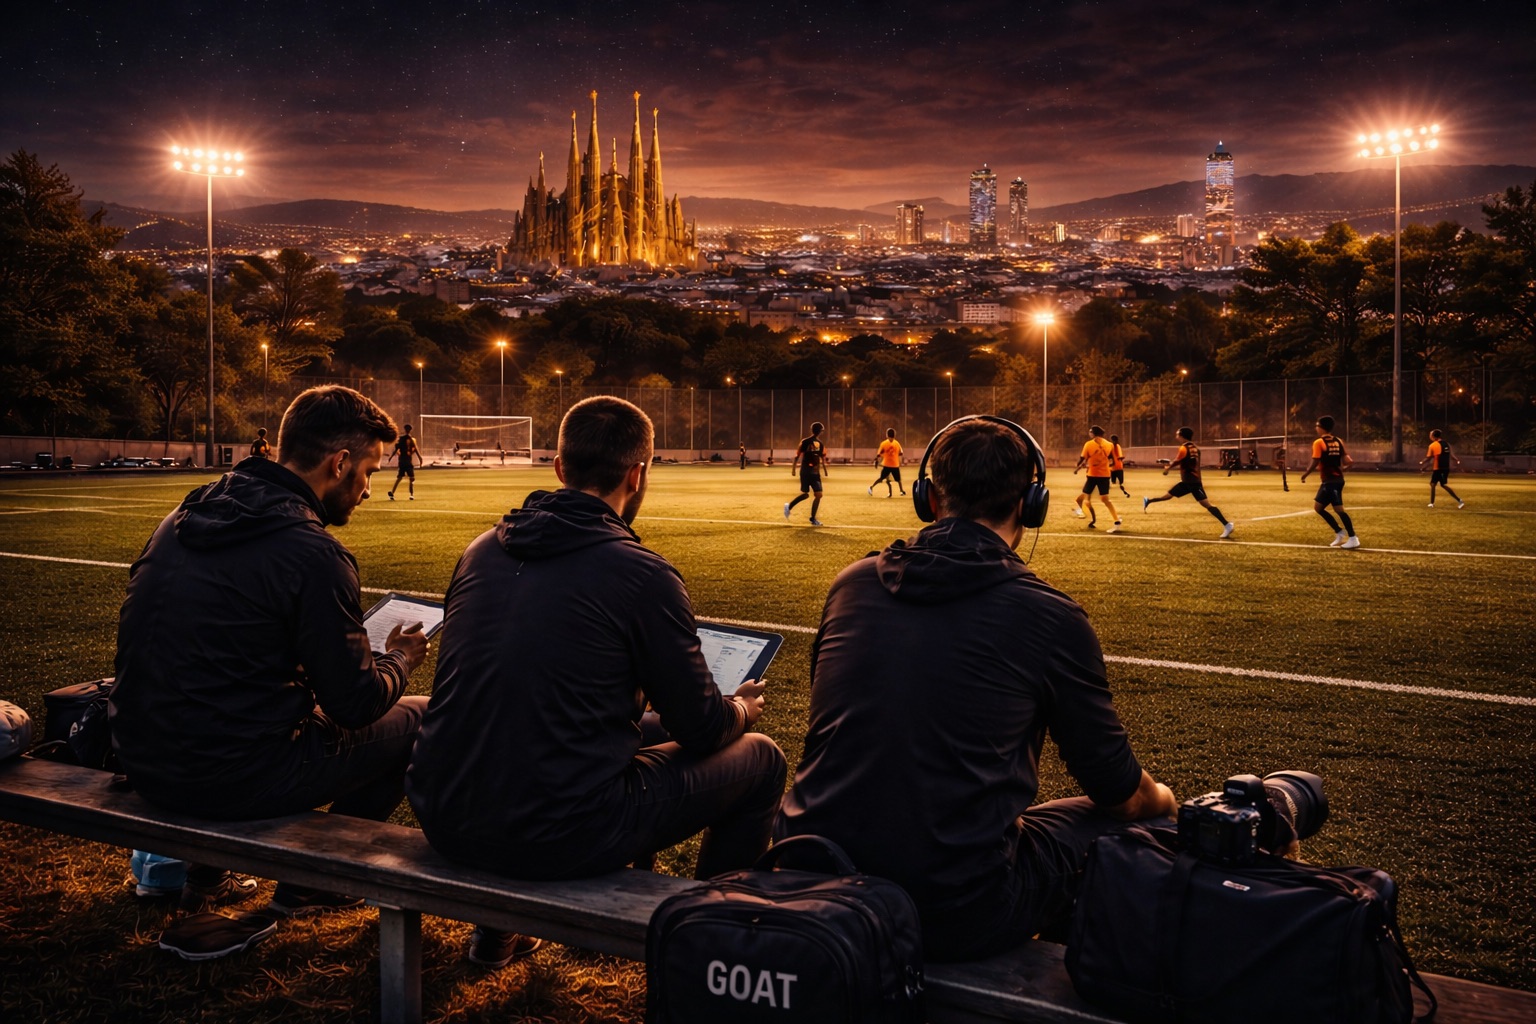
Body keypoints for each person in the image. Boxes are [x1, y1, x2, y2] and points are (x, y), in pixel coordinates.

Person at [775, 417, 1177, 962]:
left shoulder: (851, 582)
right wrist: (1165, 803)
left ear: (929, 497)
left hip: (811, 863)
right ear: (1030, 503)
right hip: (954, 907)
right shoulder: (1048, 614)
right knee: (1145, 820)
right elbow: (1117, 790)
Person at [407, 396, 786, 968]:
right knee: (761, 759)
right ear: (638, 475)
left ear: (559, 468)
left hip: (444, 813)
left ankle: (495, 935)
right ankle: (708, 952)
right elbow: (704, 728)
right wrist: (741, 709)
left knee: (631, 729)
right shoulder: (641, 572)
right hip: (555, 832)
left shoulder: (480, 549)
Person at [110, 385, 433, 932]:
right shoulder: (312, 551)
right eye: (370, 473)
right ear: (340, 463)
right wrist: (399, 659)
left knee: (240, 704)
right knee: (419, 717)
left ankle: (206, 878)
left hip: (139, 756)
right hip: (226, 777)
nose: (368, 491)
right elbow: (355, 705)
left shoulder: (184, 514)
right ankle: (312, 886)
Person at [1143, 427, 1235, 538]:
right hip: (1190, 482)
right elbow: (1186, 462)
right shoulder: (1195, 448)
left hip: (1191, 483)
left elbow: (1177, 460)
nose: (1176, 436)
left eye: (1177, 434)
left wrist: (1167, 468)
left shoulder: (1183, 448)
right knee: (1168, 495)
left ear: (1182, 435)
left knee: (1206, 505)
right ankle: (1148, 501)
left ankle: (1227, 524)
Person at [1300, 416, 1359, 548]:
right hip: (1334, 480)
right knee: (1318, 508)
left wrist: (1305, 474)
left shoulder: (1318, 443)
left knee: (1339, 510)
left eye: (1317, 426)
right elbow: (1349, 461)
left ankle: (1353, 537)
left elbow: (1315, 461)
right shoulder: (1339, 441)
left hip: (1331, 482)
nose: (1316, 428)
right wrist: (1341, 470)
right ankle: (1339, 532)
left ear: (1321, 427)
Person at [1073, 425, 1121, 533]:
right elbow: (1112, 461)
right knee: (1105, 499)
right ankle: (1116, 521)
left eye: (1090, 432)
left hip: (1092, 475)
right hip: (1104, 475)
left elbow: (1082, 459)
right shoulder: (1109, 445)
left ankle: (1090, 518)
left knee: (1086, 499)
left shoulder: (1088, 444)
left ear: (1093, 433)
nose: (1089, 433)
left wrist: (1077, 465)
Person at [784, 421, 829, 525]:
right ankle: (789, 506)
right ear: (819, 431)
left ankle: (813, 519)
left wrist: (824, 470)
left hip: (815, 473)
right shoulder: (805, 442)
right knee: (805, 495)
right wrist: (793, 469)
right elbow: (798, 455)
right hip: (806, 471)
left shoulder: (820, 444)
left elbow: (821, 457)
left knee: (819, 495)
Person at [1419, 429, 1465, 508]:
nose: (1429, 436)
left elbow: (1429, 458)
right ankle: (1459, 501)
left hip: (1438, 468)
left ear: (1433, 436)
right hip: (1446, 468)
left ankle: (1432, 503)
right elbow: (1451, 455)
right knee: (1441, 484)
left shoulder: (1433, 445)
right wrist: (1456, 459)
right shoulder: (1446, 444)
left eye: (1430, 434)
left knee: (1434, 484)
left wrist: (1422, 463)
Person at [868, 427, 906, 497]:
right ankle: (901, 491)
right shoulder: (897, 443)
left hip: (887, 465)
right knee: (898, 480)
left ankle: (871, 487)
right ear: (894, 435)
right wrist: (895, 455)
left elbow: (878, 454)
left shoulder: (884, 443)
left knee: (882, 479)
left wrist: (876, 460)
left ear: (887, 435)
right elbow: (901, 453)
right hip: (895, 465)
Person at [386, 423, 420, 500]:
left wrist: (391, 457)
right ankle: (411, 495)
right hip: (407, 461)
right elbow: (415, 450)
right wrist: (420, 458)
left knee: (400, 477)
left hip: (402, 461)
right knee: (411, 478)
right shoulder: (411, 439)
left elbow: (396, 449)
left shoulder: (402, 439)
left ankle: (392, 493)